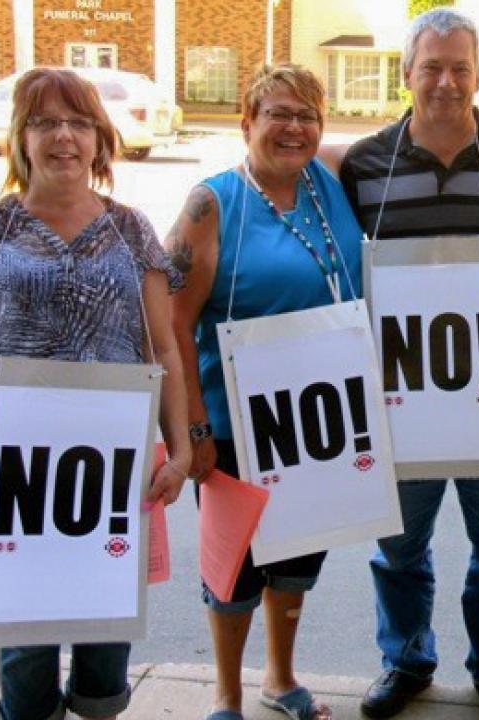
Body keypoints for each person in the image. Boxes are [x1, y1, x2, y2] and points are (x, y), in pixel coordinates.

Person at [0, 67, 192, 720]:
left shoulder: (133, 232)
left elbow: (165, 349)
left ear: (99, 139)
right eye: (44, 121)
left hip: (109, 462)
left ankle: (95, 708)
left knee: (105, 623)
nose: (63, 135)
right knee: (24, 634)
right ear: (20, 139)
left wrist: (179, 448)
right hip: (5, 460)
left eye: (78, 121)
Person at [330, 9, 479, 720]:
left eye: (461, 68)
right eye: (431, 67)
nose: (446, 83)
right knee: (398, 549)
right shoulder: (364, 163)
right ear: (407, 70)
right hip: (399, 400)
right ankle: (406, 660)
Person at [164, 63, 362, 720]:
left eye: (307, 115)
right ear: (246, 122)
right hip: (232, 424)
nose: (294, 127)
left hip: (320, 418)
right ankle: (226, 695)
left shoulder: (328, 185)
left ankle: (280, 679)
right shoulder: (212, 204)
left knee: (298, 560)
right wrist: (191, 429)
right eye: (278, 113)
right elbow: (172, 323)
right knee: (235, 570)